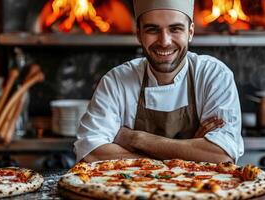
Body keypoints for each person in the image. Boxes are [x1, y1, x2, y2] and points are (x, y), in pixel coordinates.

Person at [74, 0, 244, 164]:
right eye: (152, 30)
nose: (164, 41)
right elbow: (90, 153)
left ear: (190, 32)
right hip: (132, 190)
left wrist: (136, 139)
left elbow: (222, 154)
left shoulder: (213, 75)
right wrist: (191, 153)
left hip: (205, 191)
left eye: (175, 29)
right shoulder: (117, 81)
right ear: (139, 34)